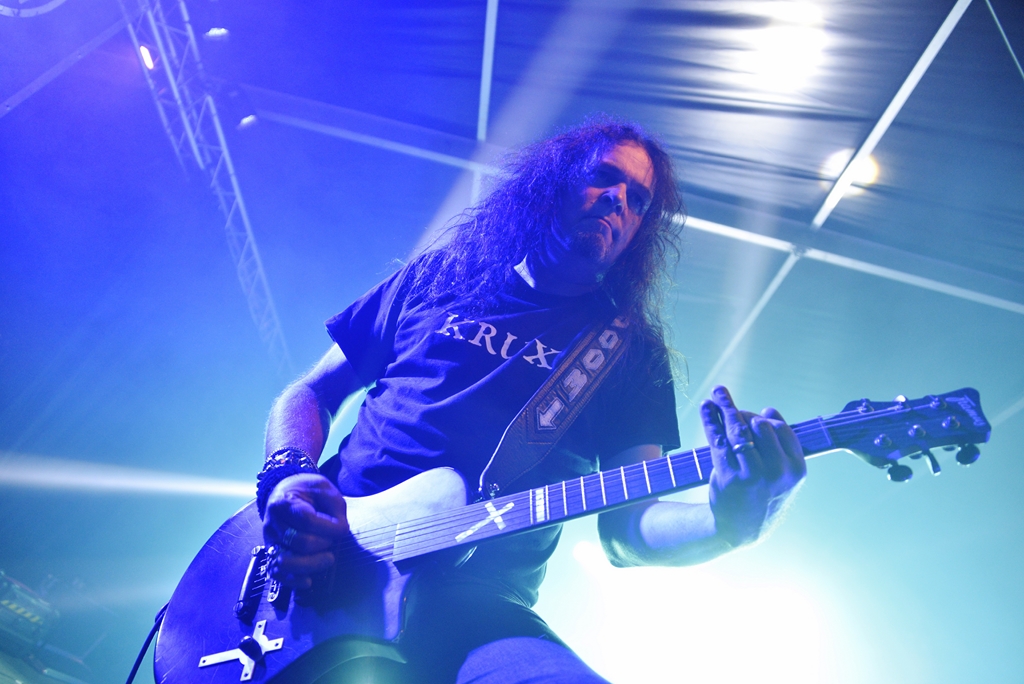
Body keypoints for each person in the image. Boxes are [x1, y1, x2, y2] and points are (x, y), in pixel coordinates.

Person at [256, 119, 806, 683]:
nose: (618, 198)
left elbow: (627, 532)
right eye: (604, 176)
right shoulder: (440, 276)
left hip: (475, 604)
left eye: (638, 199)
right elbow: (312, 392)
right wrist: (287, 479)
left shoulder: (630, 354)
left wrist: (728, 522)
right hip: (323, 558)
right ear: (554, 180)